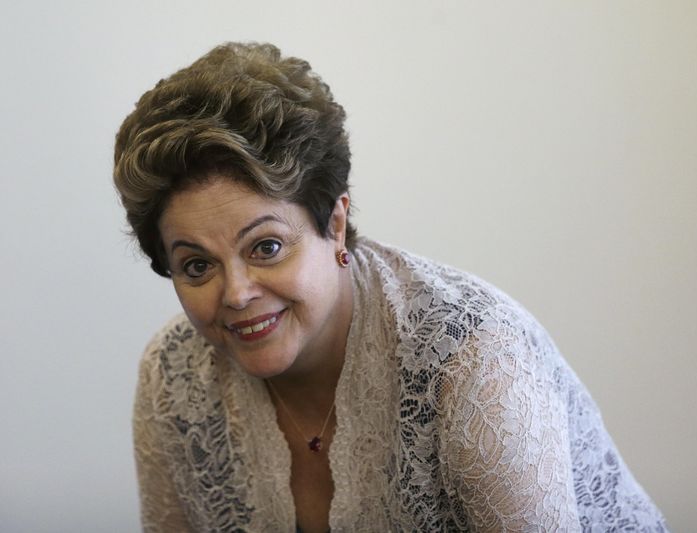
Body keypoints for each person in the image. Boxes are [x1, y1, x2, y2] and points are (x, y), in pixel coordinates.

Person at [114, 42, 668, 532]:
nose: (235, 294)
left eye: (266, 247)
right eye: (196, 266)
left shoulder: (474, 362)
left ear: (333, 224)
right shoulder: (173, 376)